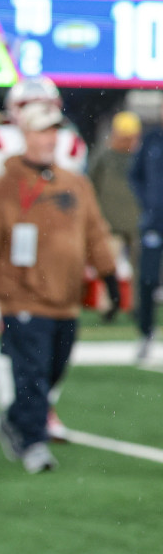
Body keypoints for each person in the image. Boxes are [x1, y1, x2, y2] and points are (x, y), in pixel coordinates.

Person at [0, 101, 117, 473]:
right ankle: (33, 442)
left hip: (65, 298)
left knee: (53, 371)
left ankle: (13, 419)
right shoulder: (6, 183)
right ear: (26, 135)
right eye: (43, 131)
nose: (51, 138)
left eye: (55, 130)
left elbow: (96, 233)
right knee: (31, 372)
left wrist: (110, 276)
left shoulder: (74, 183)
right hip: (21, 295)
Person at [0, 76, 86, 440]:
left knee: (52, 348)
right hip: (11, 258)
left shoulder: (68, 146)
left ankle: (29, 410)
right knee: (16, 341)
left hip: (54, 257)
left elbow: (79, 209)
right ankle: (22, 412)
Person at [88, 110, 139, 326]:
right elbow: (91, 186)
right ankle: (106, 308)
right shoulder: (104, 156)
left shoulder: (142, 156)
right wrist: (97, 216)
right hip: (109, 222)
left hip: (138, 222)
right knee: (107, 266)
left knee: (141, 270)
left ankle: (137, 309)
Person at [129, 104, 163, 362]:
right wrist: (148, 203)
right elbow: (134, 175)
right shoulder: (151, 139)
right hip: (154, 220)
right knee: (148, 278)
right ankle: (145, 334)